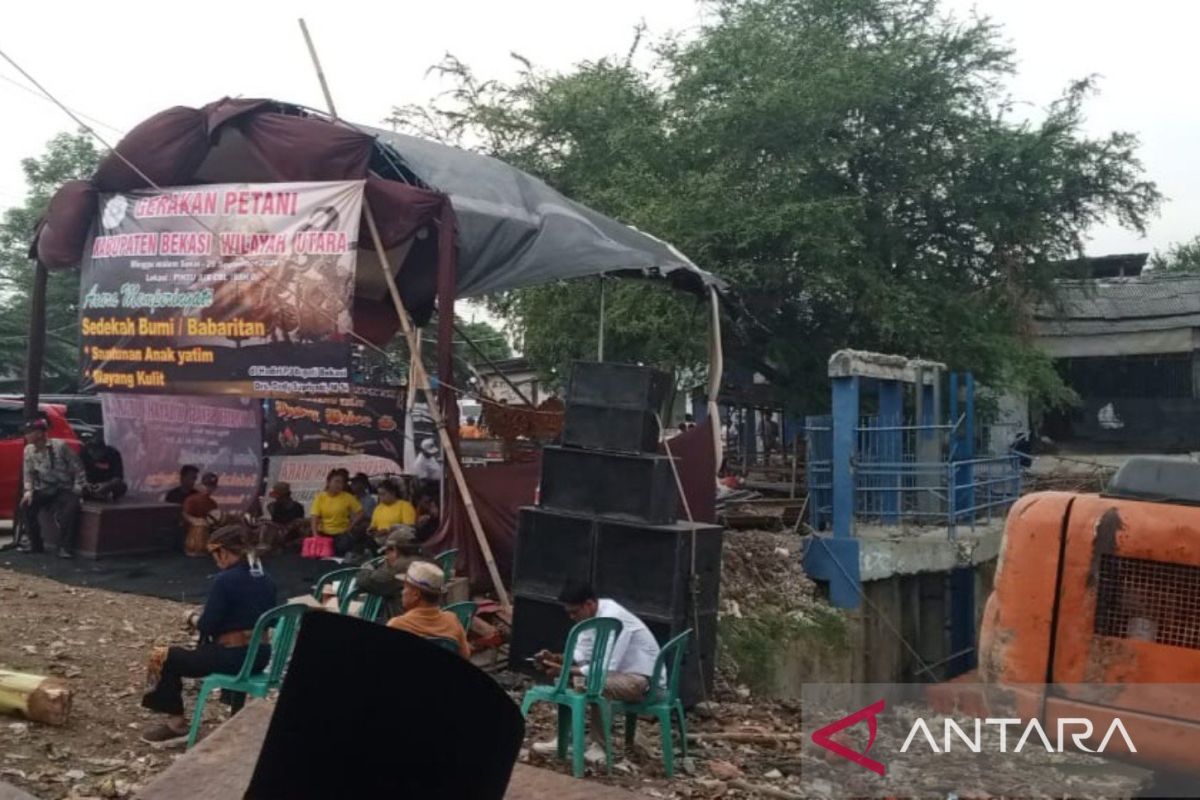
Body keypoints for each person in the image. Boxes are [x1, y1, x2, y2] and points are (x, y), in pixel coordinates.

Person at [140, 525, 278, 746]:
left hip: (234, 657)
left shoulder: (226, 580)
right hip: (260, 656)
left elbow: (208, 625)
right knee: (196, 653)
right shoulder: (266, 579)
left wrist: (191, 618)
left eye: (214, 555)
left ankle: (176, 725)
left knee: (162, 656)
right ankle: (233, 712)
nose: (215, 560)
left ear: (222, 551)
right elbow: (272, 620)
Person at [533, 581, 661, 762]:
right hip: (619, 675)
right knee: (578, 681)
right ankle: (565, 739)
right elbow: (581, 654)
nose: (571, 617)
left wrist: (566, 670)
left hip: (642, 679)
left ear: (589, 604)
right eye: (568, 613)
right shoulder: (588, 619)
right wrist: (554, 659)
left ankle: (599, 746)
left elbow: (608, 666)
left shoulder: (613, 618)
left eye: (574, 612)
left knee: (597, 684)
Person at [19, 420, 85, 558]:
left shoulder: (59, 446)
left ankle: (65, 547)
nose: (26, 436)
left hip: (64, 487)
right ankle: (35, 543)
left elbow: (78, 467)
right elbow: (28, 473)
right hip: (44, 488)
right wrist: (28, 491)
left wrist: (78, 488)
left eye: (29, 433)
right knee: (26, 505)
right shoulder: (29, 450)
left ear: (39, 434)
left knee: (70, 509)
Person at [386, 561, 469, 658]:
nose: (402, 592)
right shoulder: (452, 621)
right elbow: (465, 655)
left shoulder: (397, 625)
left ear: (416, 594)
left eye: (404, 587)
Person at [356, 526, 421, 619]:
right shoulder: (428, 560)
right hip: (426, 618)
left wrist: (366, 570)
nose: (385, 556)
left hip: (403, 620)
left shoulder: (397, 567)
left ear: (394, 550)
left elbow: (367, 582)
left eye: (387, 552)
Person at [309, 470, 364, 556]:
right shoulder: (320, 497)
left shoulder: (348, 497)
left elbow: (360, 512)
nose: (338, 485)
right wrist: (315, 535)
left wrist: (351, 526)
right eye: (336, 481)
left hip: (341, 535)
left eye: (341, 483)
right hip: (324, 534)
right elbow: (314, 517)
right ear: (328, 482)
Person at [182, 473, 222, 557]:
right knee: (201, 525)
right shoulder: (192, 499)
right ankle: (195, 549)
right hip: (190, 534)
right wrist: (195, 520)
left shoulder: (212, 503)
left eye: (211, 486)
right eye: (206, 485)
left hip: (207, 534)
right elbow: (184, 515)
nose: (209, 488)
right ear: (201, 485)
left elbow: (213, 519)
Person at [368, 479, 417, 547]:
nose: (381, 497)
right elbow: (373, 526)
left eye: (383, 494)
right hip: (379, 539)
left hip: (397, 540)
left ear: (393, 493)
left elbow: (409, 527)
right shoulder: (378, 508)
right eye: (379, 494)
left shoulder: (405, 505)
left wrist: (387, 531)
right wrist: (373, 531)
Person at [81, 435, 127, 502]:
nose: (94, 454)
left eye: (97, 451)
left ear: (103, 449)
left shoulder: (113, 454)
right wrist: (87, 485)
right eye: (92, 451)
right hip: (90, 484)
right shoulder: (84, 453)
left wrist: (107, 485)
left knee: (121, 486)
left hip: (108, 483)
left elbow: (118, 477)